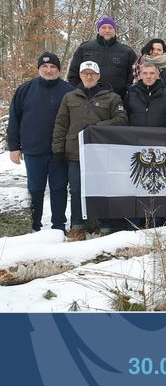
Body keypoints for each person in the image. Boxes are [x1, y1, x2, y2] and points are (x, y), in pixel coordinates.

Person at [52, 61, 128, 240]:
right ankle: (77, 226)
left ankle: (105, 225)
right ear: (80, 75)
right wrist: (58, 148)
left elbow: (122, 119)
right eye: (85, 73)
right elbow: (61, 124)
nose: (88, 76)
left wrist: (98, 128)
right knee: (76, 190)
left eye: (92, 73)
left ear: (98, 76)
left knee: (102, 188)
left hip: (101, 153)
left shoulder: (111, 97)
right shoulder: (70, 97)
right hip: (74, 151)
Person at [7, 52, 74, 232]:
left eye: (53, 67)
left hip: (60, 151)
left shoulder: (69, 91)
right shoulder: (25, 90)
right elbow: (15, 119)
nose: (49, 70)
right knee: (35, 188)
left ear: (59, 70)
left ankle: (58, 225)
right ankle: (34, 225)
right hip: (33, 149)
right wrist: (14, 147)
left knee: (59, 188)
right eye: (45, 66)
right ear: (39, 69)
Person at [68, 16, 137, 99]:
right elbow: (73, 75)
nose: (107, 30)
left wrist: (127, 95)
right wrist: (81, 92)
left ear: (115, 30)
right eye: (103, 27)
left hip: (117, 100)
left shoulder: (127, 52)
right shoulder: (85, 49)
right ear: (98, 30)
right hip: (89, 99)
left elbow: (133, 78)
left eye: (110, 28)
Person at [124, 63, 166, 127]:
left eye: (152, 73)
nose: (148, 76)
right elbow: (125, 120)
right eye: (145, 73)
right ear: (140, 75)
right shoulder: (130, 95)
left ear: (157, 75)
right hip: (135, 136)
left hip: (161, 136)